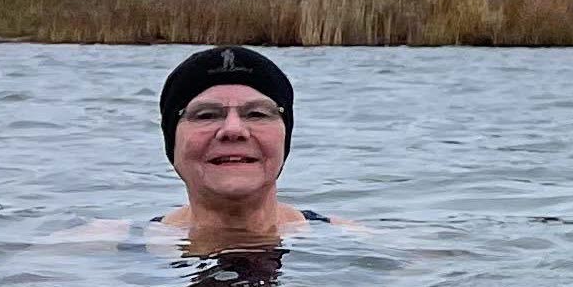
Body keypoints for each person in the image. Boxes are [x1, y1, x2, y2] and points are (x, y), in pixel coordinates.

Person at [55, 45, 353, 251]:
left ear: (284, 137)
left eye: (257, 114)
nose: (233, 130)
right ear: (172, 142)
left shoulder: (348, 243)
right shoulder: (103, 246)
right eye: (206, 115)